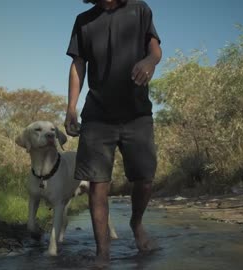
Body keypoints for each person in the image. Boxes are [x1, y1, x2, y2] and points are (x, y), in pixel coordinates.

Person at [64, 0, 162, 264]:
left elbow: (155, 49)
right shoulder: (83, 21)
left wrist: (150, 61)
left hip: (137, 112)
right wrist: (71, 107)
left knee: (145, 179)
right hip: (97, 115)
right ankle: (102, 251)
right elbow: (78, 65)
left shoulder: (139, 9)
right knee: (98, 184)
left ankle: (136, 223)